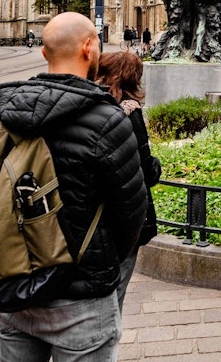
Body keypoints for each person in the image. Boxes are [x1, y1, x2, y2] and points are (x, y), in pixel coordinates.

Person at [0, 12, 147, 360]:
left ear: (44, 53)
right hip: (81, 297)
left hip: (15, 287)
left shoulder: (2, 113)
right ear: (89, 49)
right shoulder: (108, 119)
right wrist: (98, 264)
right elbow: (132, 215)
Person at [95, 51, 162, 308]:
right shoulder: (129, 111)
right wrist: (155, 167)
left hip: (91, 213)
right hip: (123, 214)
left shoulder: (91, 104)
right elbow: (145, 167)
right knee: (116, 291)